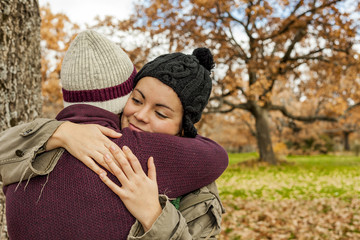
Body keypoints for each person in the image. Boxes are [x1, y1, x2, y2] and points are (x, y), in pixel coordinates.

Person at [1, 30, 228, 239]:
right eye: (136, 100)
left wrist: (154, 215)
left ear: (183, 127)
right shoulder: (101, 140)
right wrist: (61, 131)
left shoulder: (200, 186)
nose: (140, 114)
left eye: (160, 113)